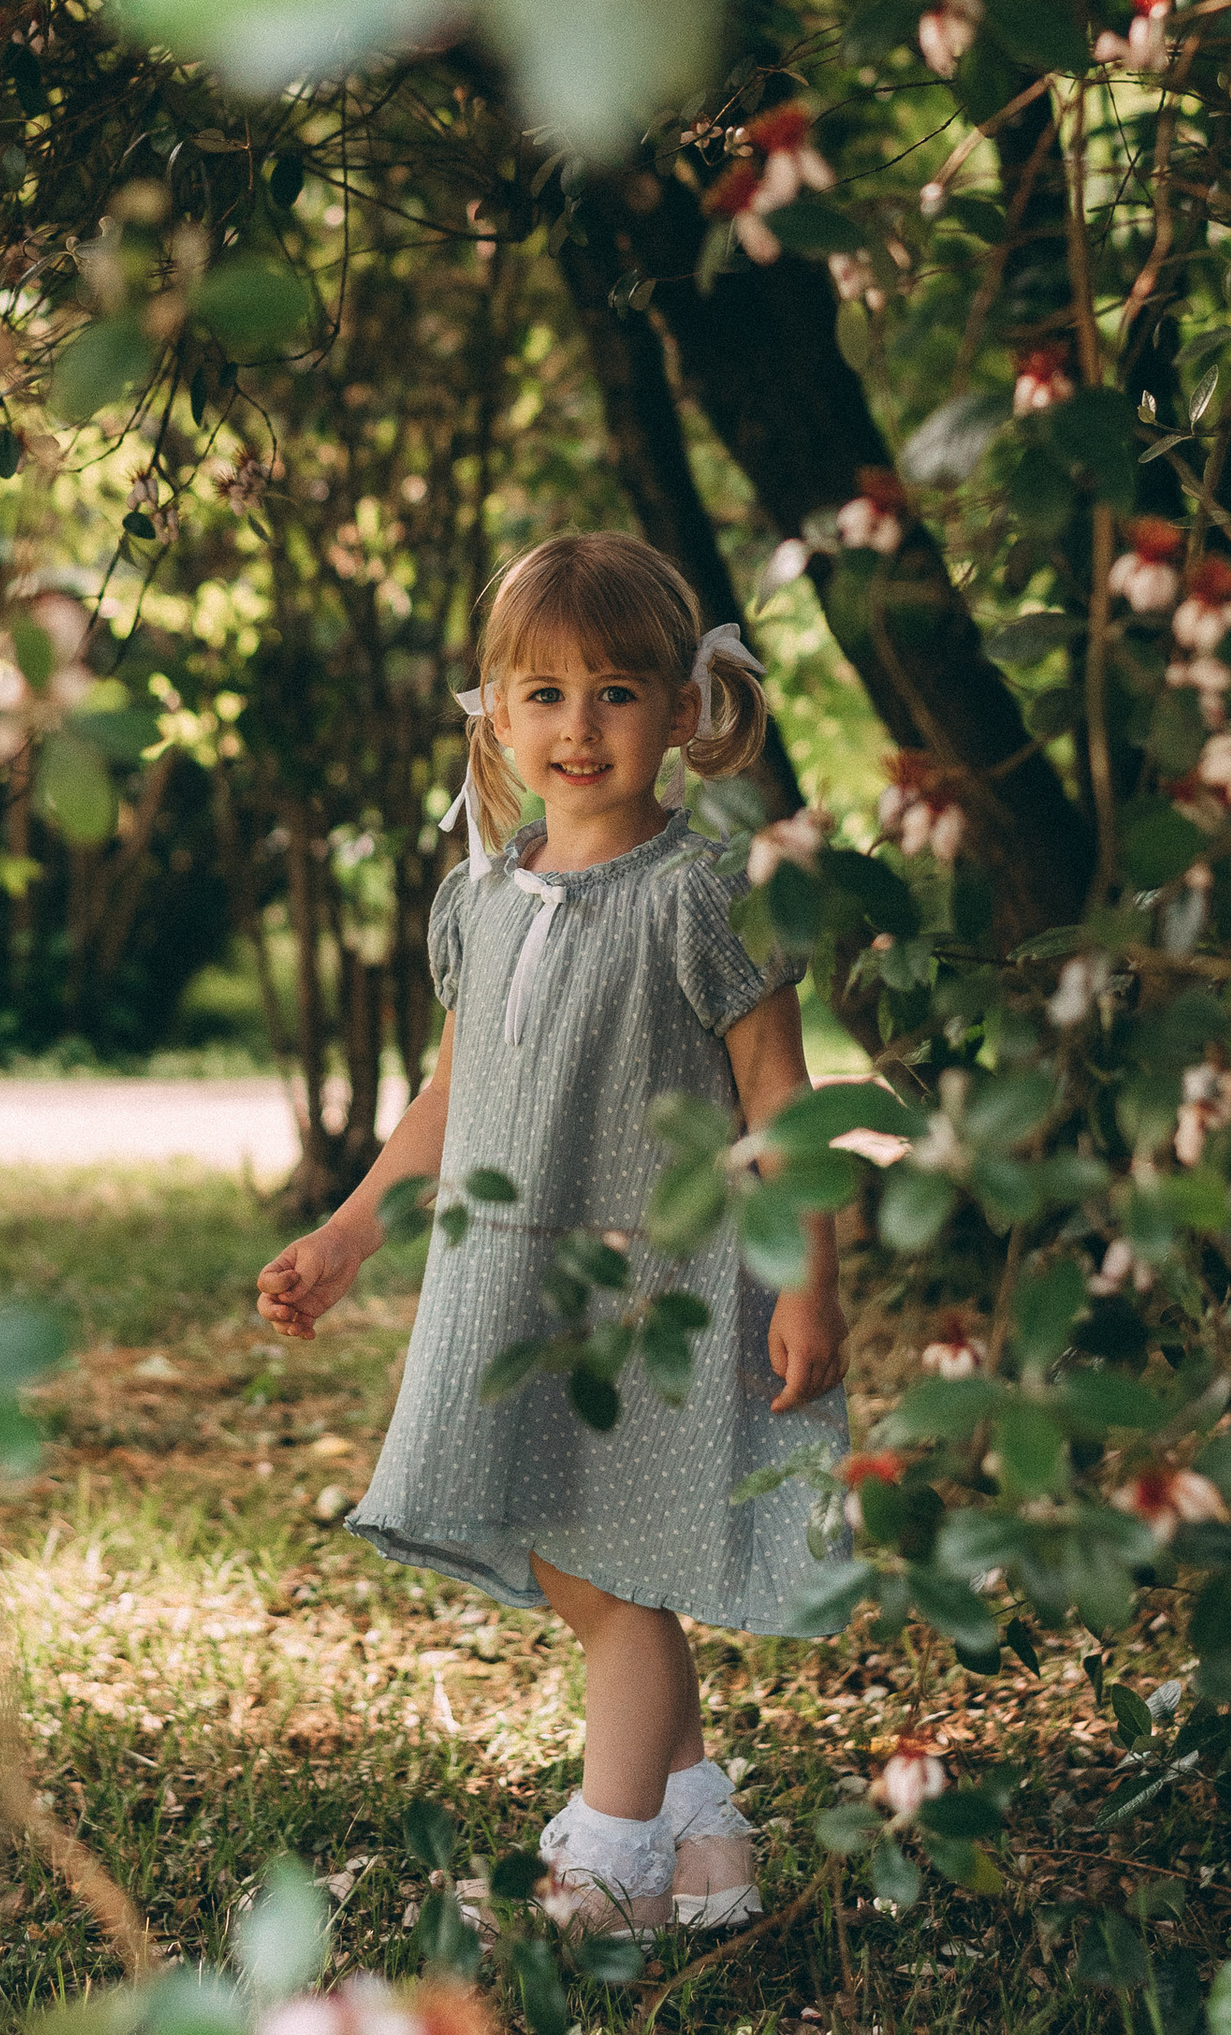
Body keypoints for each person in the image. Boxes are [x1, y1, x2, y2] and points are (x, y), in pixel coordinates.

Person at [256, 530, 851, 1939]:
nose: (578, 727)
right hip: (518, 1288)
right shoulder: (480, 901)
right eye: (543, 694)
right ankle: (702, 1834)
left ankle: (607, 1855)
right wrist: (345, 1238)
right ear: (495, 713)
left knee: (609, 1571)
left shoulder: (704, 895)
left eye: (616, 693)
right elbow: (448, 1103)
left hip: (655, 1290)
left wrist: (810, 1283)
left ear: (684, 709)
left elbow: (782, 1099)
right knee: (593, 1560)